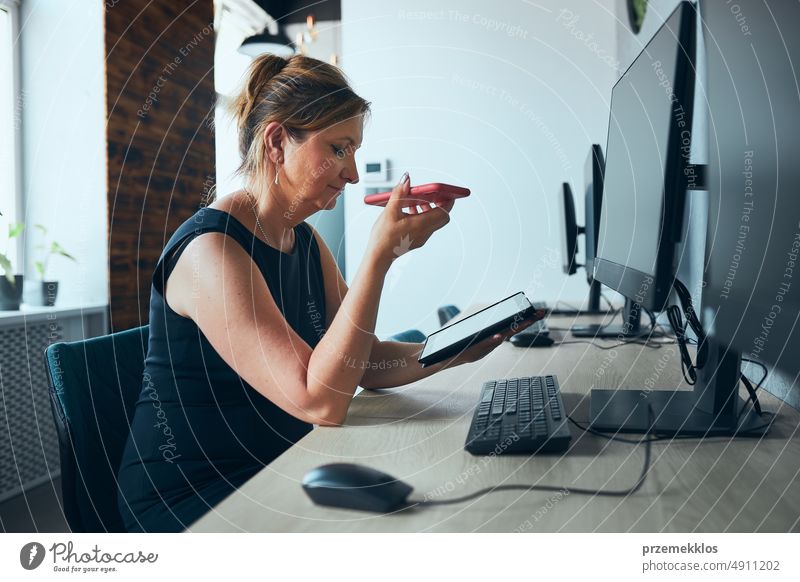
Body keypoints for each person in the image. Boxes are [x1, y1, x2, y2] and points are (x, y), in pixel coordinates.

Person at [116, 54, 542, 532]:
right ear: (277, 142)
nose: (353, 172)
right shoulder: (211, 252)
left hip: (279, 467)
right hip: (198, 501)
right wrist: (380, 259)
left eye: (354, 150)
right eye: (339, 149)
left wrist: (453, 351)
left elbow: (362, 362)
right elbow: (320, 401)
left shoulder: (305, 242)